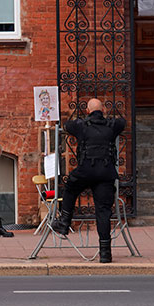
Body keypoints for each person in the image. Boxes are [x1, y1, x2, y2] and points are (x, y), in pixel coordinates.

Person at [51, 98, 125, 263]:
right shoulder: (111, 126)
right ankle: (105, 253)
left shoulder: (81, 126)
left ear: (87, 111)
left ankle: (64, 222)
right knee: (103, 211)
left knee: (70, 187)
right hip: (106, 173)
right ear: (103, 111)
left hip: (86, 171)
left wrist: (82, 119)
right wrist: (108, 119)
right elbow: (122, 122)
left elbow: (67, 126)